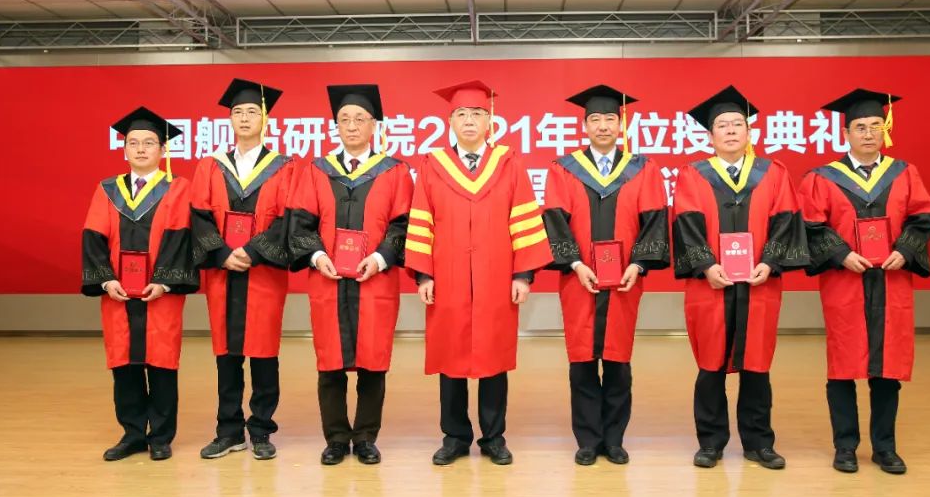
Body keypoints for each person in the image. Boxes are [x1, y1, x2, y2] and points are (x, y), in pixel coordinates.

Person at [404, 80, 553, 466]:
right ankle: (454, 437)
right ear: (449, 121)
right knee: (450, 357)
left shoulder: (509, 164)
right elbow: (421, 220)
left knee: (493, 357)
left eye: (477, 114)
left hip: (496, 277)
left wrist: (523, 275)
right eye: (461, 114)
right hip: (448, 277)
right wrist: (424, 275)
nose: (469, 120)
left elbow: (523, 220)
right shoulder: (432, 166)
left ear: (490, 122)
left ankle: (493, 437)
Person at [798, 88, 930, 475]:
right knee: (843, 366)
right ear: (846, 133)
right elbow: (810, 224)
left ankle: (885, 448)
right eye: (860, 127)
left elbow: (924, 217)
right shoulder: (822, 178)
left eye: (876, 126)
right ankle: (845, 447)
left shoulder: (904, 173)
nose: (869, 133)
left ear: (885, 130)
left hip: (891, 280)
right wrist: (841, 253)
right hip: (845, 281)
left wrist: (905, 250)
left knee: (887, 367)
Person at [672, 85, 809, 470]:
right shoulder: (693, 175)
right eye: (722, 125)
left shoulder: (773, 173)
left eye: (737, 124)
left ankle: (759, 443)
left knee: (757, 365)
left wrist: (770, 261)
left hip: (759, 283)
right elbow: (685, 223)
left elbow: (785, 220)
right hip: (710, 286)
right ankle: (711, 443)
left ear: (749, 132)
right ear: (710, 135)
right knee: (710, 366)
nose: (731, 130)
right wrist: (705, 265)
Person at [541, 85, 670, 465]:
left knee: (617, 359)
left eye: (610, 119)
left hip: (625, 279)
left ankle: (613, 439)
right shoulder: (563, 169)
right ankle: (587, 440)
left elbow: (654, 221)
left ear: (621, 124)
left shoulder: (643, 169)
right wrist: (576, 264)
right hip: (578, 279)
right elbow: (555, 220)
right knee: (582, 360)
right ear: (584, 126)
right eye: (595, 119)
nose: (602, 126)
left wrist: (638, 264)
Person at [287, 84, 413, 465]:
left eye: (360, 119)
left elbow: (403, 224)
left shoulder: (395, 171)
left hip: (375, 280)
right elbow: (300, 223)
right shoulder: (316, 170)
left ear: (374, 125)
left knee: (374, 362)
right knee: (330, 363)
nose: (352, 126)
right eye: (345, 119)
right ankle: (337, 438)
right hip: (327, 280)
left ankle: (367, 437)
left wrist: (380, 258)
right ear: (336, 127)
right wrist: (317, 256)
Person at [82, 107, 198, 461]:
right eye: (133, 143)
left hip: (160, 294)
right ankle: (132, 434)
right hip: (118, 294)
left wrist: (163, 282)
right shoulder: (107, 189)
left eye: (149, 143)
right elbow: (93, 237)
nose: (141, 149)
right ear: (124, 150)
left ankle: (160, 436)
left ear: (163, 149)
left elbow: (180, 238)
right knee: (124, 364)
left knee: (162, 363)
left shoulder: (178, 188)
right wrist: (106, 280)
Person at [190, 79, 295, 461]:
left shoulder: (284, 167)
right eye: (238, 112)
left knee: (264, 353)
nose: (245, 118)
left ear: (265, 119)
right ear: (229, 120)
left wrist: (252, 251)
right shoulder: (210, 165)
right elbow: (199, 216)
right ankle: (228, 430)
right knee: (227, 354)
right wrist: (221, 253)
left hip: (263, 272)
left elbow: (288, 219)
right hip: (223, 273)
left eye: (252, 111)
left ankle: (262, 430)